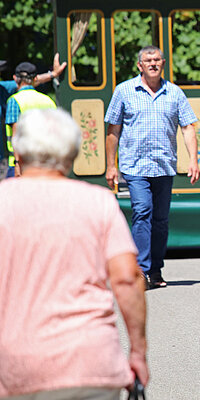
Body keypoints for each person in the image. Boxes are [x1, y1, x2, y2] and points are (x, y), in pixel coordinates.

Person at [0, 108, 148, 399]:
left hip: (16, 366)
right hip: (91, 362)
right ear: (72, 153)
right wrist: (139, 353)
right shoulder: (98, 202)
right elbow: (128, 279)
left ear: (18, 151)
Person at [105, 45, 200, 289]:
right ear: (140, 66)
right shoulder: (124, 91)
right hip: (134, 166)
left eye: (157, 60)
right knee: (142, 212)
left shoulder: (175, 93)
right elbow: (113, 130)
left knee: (160, 220)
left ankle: (155, 269)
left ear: (163, 63)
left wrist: (193, 160)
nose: (153, 63)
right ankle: (141, 270)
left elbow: (188, 127)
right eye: (148, 60)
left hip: (164, 165)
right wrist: (110, 166)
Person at [0, 54, 66, 178]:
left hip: (19, 163)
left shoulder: (13, 99)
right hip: (46, 163)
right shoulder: (48, 100)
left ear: (15, 78)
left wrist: (17, 163)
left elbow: (15, 135)